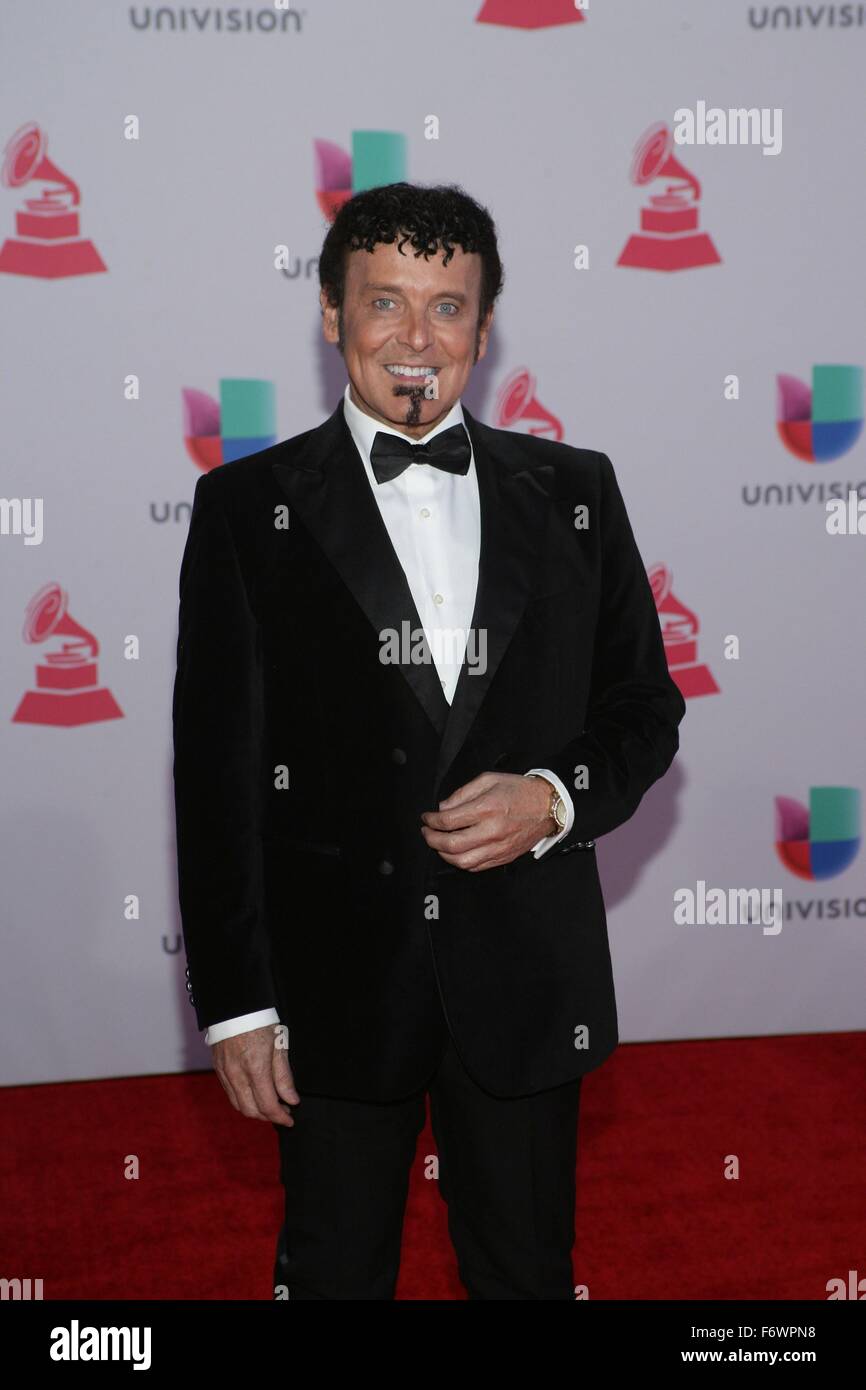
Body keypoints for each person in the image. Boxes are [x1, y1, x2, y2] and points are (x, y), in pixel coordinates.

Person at [172, 181, 686, 1300]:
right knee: (334, 1275)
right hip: (332, 989)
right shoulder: (245, 510)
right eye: (383, 304)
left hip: (522, 975)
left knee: (524, 1274)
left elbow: (643, 708)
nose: (414, 339)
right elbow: (215, 778)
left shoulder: (574, 491)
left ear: (484, 328)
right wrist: (239, 1003)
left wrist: (553, 797)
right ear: (329, 315)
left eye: (445, 307)